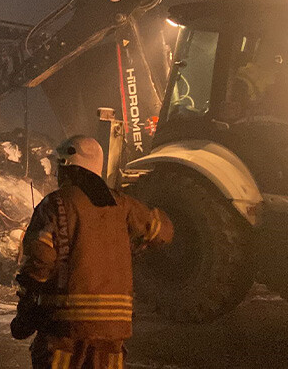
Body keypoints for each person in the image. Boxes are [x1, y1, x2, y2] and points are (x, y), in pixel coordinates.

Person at [11, 136, 173, 369]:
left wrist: (24, 319)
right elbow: (163, 233)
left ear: (67, 166)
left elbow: (40, 261)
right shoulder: (123, 205)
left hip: (65, 329)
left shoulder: (55, 204)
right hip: (112, 331)